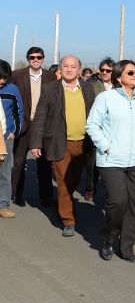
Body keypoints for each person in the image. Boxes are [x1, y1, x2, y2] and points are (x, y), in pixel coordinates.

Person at [86, 60, 135, 263]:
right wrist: (106, 146)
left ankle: (127, 247)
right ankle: (108, 238)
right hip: (111, 159)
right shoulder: (105, 98)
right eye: (130, 72)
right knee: (118, 201)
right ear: (118, 77)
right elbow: (92, 125)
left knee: (133, 204)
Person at [29, 55, 96, 237]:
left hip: (83, 143)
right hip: (60, 143)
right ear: (60, 68)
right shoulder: (50, 89)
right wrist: (36, 143)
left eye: (73, 66)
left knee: (74, 180)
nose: (69, 69)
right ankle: (68, 220)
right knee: (63, 181)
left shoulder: (88, 89)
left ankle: (64, 203)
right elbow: (40, 116)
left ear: (79, 70)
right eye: (65, 66)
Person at [9, 47, 56, 206]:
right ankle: (16, 193)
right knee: (19, 162)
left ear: (43, 58)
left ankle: (46, 195)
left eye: (39, 57)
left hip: (43, 124)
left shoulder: (51, 76)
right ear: (28, 59)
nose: (35, 60)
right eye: (32, 57)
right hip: (23, 123)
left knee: (44, 162)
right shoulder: (16, 75)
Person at [83, 57, 115, 202]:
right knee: (92, 163)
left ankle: (112, 191)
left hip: (114, 130)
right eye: (102, 70)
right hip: (96, 129)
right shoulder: (92, 85)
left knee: (113, 163)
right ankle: (90, 188)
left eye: (108, 70)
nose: (105, 72)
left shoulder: (120, 86)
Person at [0, 60, 25, 219]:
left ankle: (3, 205)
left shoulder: (12, 89)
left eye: (5, 78)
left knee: (4, 172)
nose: (2, 81)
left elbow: (19, 112)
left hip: (5, 137)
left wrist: (13, 132)